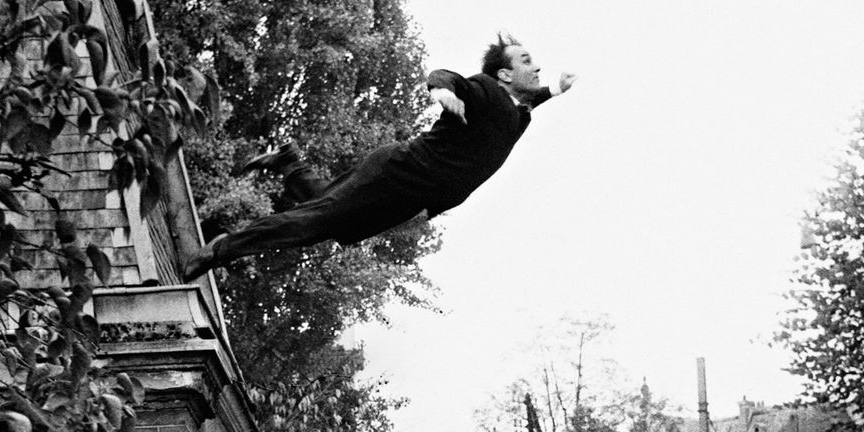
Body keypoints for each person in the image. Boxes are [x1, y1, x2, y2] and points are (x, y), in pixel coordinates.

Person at [183, 34, 578, 280]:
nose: (537, 65)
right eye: (526, 60)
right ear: (504, 75)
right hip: (397, 173)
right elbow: (449, 76)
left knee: (327, 211)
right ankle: (218, 250)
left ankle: (288, 162)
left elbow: (523, 106)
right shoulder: (486, 91)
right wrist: (440, 91)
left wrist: (554, 91)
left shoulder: (517, 114)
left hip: (411, 197)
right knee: (314, 223)